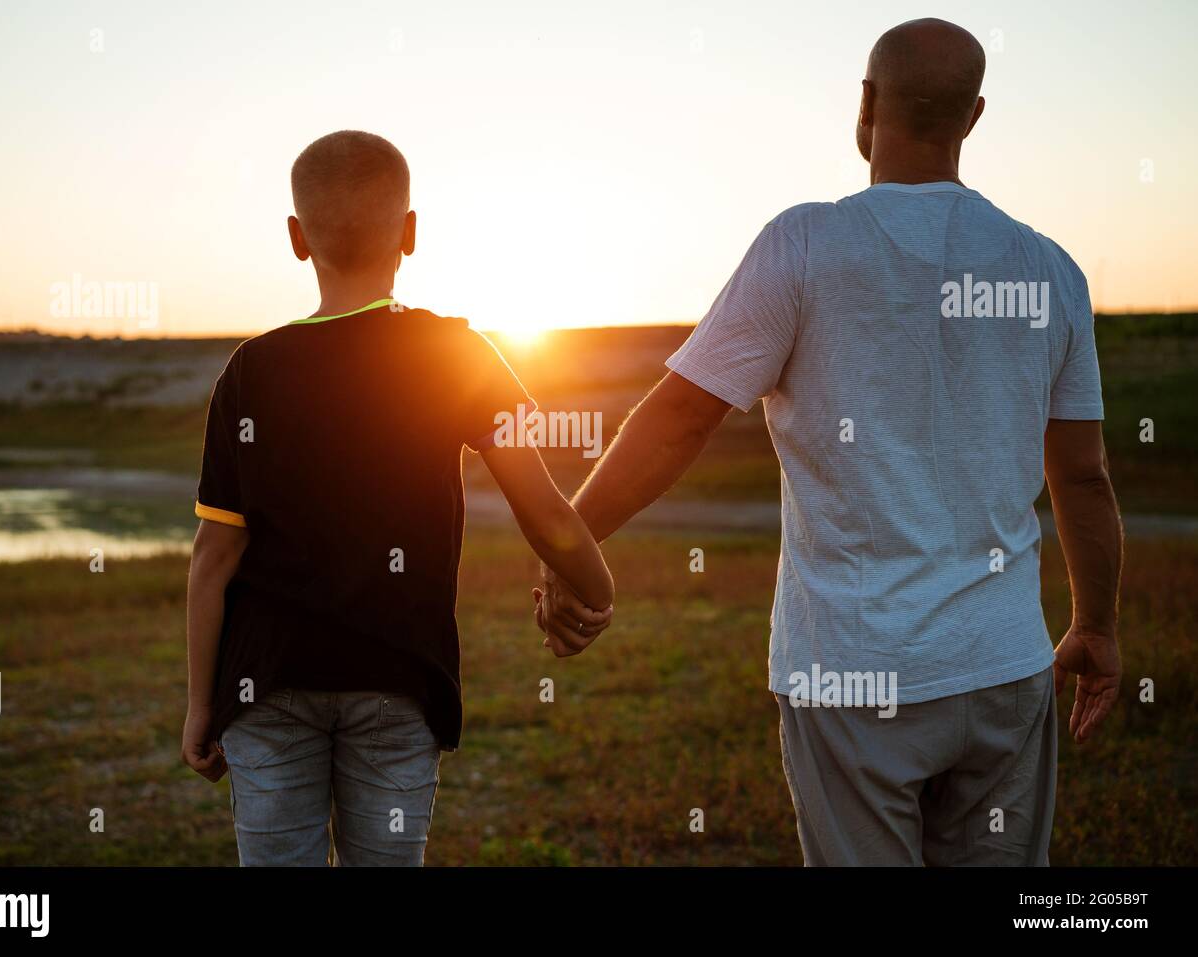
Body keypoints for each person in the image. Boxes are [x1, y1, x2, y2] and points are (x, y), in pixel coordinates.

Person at [534, 18, 1122, 866]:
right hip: (1003, 667)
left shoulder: (804, 245)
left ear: (865, 105)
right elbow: (1083, 476)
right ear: (975, 116)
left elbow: (679, 417)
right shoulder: (1052, 270)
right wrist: (1096, 625)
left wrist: (567, 544)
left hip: (848, 672)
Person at [180, 130, 614, 866]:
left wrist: (200, 702)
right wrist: (596, 592)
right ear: (410, 233)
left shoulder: (248, 372)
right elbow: (545, 513)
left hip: (266, 682)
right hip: (397, 680)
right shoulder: (457, 355)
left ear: (295, 238)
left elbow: (213, 559)